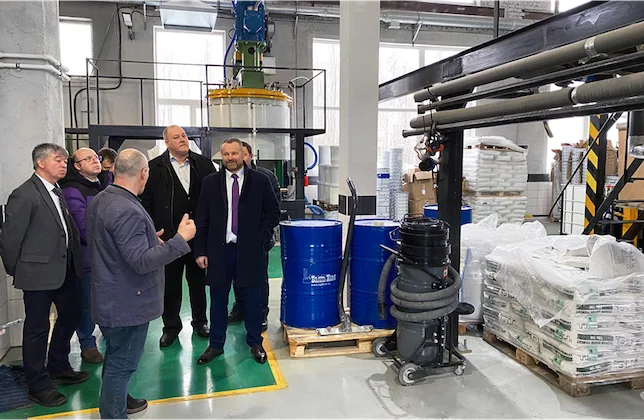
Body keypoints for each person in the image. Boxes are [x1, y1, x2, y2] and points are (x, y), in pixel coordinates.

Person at [86, 149, 196, 420]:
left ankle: (119, 403)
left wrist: (148, 238)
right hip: (127, 302)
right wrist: (180, 240)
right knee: (121, 365)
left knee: (115, 358)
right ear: (144, 173)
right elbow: (141, 262)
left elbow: (115, 245)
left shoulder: (104, 199)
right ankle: (114, 415)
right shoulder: (127, 209)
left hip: (109, 295)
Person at [0, 143, 88, 407]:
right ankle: (37, 384)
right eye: (58, 159)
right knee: (37, 329)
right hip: (37, 274)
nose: (63, 164)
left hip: (65, 270)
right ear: (40, 163)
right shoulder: (24, 194)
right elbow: (10, 239)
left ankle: (58, 365)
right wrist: (18, 269)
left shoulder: (57, 191)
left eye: (65, 160)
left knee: (72, 314)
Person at [194, 138, 280, 365]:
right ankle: (215, 345)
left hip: (250, 252)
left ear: (244, 155)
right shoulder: (210, 183)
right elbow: (202, 218)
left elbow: (273, 212)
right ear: (221, 157)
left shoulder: (260, 181)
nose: (230, 158)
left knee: (252, 300)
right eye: (226, 154)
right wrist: (200, 250)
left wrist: (260, 238)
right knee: (218, 301)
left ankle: (255, 343)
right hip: (219, 252)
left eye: (234, 153)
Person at [141, 125, 216, 348]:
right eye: (176, 137)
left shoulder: (204, 164)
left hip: (197, 237)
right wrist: (153, 232)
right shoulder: (154, 168)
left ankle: (200, 322)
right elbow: (146, 203)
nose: (183, 139)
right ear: (166, 143)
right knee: (170, 285)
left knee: (198, 283)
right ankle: (171, 328)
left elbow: (214, 200)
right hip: (169, 239)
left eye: (184, 135)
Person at [227, 141, 281, 331]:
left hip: (258, 240)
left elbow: (273, 210)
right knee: (237, 277)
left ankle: (261, 314)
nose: (236, 158)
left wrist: (261, 235)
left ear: (249, 156)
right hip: (234, 240)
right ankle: (240, 309)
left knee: (259, 279)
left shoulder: (265, 178)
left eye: (241, 154)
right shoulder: (227, 178)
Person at [59, 148, 106, 364]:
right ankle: (87, 344)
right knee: (86, 304)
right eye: (88, 159)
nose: (95, 161)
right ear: (77, 166)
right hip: (87, 259)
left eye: (96, 157)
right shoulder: (72, 190)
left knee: (106, 300)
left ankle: (109, 337)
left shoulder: (101, 186)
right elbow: (83, 228)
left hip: (105, 257)